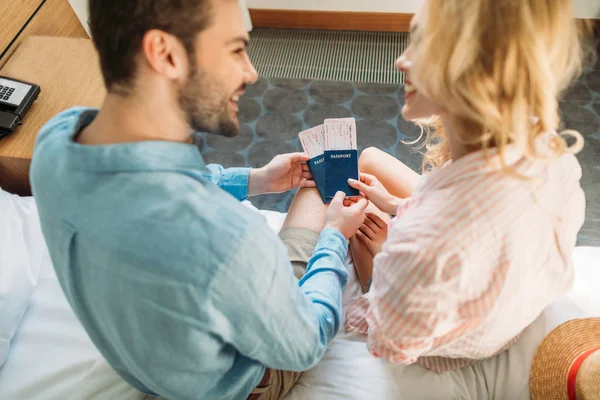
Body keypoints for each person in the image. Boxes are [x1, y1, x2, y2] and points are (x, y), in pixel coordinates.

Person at [29, 0, 368, 399]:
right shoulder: (226, 236)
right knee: (322, 188)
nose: (251, 72)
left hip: (143, 361)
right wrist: (333, 237)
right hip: (245, 381)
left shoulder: (56, 141)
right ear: (166, 54)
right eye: (235, 49)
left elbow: (155, 178)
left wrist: (254, 180)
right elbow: (305, 343)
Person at [344, 0, 592, 373]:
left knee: (353, 224)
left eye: (424, 46)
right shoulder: (546, 149)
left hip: (466, 338)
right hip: (511, 297)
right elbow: (461, 211)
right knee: (370, 161)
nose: (400, 61)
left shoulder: (422, 243)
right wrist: (397, 205)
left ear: (472, 71)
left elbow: (391, 340)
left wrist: (383, 261)